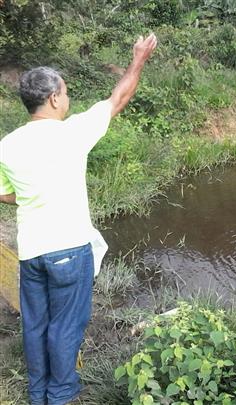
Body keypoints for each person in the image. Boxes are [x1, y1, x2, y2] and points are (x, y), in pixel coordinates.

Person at [0, 34, 157, 405]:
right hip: (69, 250)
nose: (68, 99)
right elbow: (119, 98)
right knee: (66, 325)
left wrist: (31, 194)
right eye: (66, 92)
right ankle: (61, 393)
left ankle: (38, 393)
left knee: (36, 326)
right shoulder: (72, 133)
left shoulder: (7, 145)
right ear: (54, 98)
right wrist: (138, 59)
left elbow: (2, 193)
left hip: (31, 252)